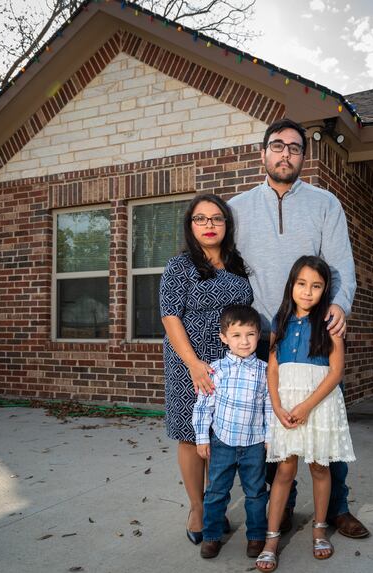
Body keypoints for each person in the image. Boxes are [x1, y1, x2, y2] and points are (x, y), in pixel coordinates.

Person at [229, 118, 370, 539]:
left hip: (314, 331)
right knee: (275, 426)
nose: (285, 153)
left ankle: (338, 509)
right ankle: (283, 506)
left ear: (303, 157)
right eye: (277, 146)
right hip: (262, 335)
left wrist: (340, 306)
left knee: (327, 419)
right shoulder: (237, 208)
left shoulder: (325, 203)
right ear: (263, 153)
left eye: (294, 147)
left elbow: (342, 266)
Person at [159, 194, 251, 545]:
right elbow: (170, 317)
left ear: (227, 225)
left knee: (220, 436)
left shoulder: (238, 265)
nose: (209, 225)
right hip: (190, 362)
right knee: (190, 434)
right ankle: (197, 508)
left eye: (216, 219)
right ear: (190, 225)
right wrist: (195, 365)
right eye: (201, 219)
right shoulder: (179, 266)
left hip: (231, 365)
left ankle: (216, 506)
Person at [255, 256, 356, 573]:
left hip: (318, 404)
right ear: (291, 285)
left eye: (316, 286)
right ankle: (271, 539)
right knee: (284, 471)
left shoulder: (329, 322)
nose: (308, 292)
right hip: (285, 405)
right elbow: (272, 369)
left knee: (320, 469)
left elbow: (336, 371)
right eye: (302, 284)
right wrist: (277, 406)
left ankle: (319, 530)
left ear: (325, 289)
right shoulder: (279, 320)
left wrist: (306, 406)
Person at [193, 304, 271, 560]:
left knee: (256, 492)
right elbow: (204, 406)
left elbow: (270, 406)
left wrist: (270, 437)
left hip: (254, 443)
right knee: (216, 492)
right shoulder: (216, 370)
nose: (244, 341)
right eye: (236, 335)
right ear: (224, 338)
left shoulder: (264, 371)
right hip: (222, 442)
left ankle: (256, 537)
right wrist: (202, 438)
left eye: (250, 334)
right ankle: (212, 536)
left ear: (258, 335)